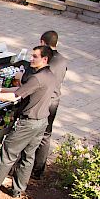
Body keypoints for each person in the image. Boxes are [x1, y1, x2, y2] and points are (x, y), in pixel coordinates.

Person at [0, 45, 57, 199]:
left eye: (35, 56)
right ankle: (18, 190)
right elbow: (22, 89)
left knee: (7, 153)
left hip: (28, 123)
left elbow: (15, 96)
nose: (31, 59)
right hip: (41, 122)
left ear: (44, 59)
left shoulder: (37, 78)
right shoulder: (50, 75)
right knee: (28, 156)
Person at [30, 30, 68, 180]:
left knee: (35, 134)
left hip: (44, 100)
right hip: (55, 100)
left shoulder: (47, 60)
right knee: (46, 135)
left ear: (42, 42)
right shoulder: (63, 60)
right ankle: (39, 169)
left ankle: (29, 167)